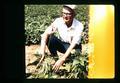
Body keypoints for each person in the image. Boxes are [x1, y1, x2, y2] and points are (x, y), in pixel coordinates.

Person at [32, 5, 84, 72]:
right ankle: (56, 60)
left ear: (73, 14)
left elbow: (73, 44)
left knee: (75, 64)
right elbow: (45, 34)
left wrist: (62, 59)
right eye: (64, 13)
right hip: (63, 45)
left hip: (74, 48)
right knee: (51, 38)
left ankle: (67, 59)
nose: (65, 16)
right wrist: (42, 52)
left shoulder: (79, 25)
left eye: (68, 14)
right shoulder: (58, 21)